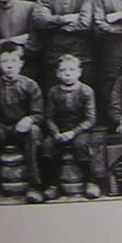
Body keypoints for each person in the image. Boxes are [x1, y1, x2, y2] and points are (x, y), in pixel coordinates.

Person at [0, 42, 45, 204]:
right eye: (5, 62)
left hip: (23, 130)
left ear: (21, 63)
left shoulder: (30, 85)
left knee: (34, 132)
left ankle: (35, 186)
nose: (10, 66)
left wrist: (30, 119)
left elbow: (39, 114)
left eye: (13, 61)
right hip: (1, 130)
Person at [30, 0, 95, 88]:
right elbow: (39, 21)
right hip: (53, 55)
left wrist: (52, 21)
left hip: (81, 54)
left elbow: (85, 23)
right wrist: (64, 19)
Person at [42, 53, 101, 199]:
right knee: (47, 145)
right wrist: (56, 133)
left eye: (71, 70)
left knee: (81, 145)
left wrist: (74, 132)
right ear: (57, 73)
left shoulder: (86, 91)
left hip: (80, 130)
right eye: (63, 70)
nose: (67, 73)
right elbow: (49, 117)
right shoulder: (53, 92)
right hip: (60, 130)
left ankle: (91, 181)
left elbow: (90, 119)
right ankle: (53, 184)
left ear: (79, 72)